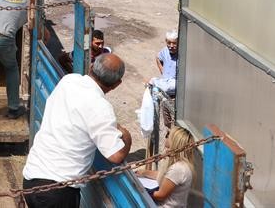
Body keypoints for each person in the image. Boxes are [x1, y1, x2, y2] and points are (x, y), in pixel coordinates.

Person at [22, 54, 132, 207]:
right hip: (58, 191)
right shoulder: (101, 107)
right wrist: (126, 136)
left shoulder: (68, 80)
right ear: (116, 84)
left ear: (91, 67)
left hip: (31, 178)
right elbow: (116, 155)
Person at [137, 127, 195, 207]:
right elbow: (165, 177)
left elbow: (161, 196)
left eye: (168, 135)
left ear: (174, 141)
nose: (165, 137)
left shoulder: (178, 168)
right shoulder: (174, 160)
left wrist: (142, 191)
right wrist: (144, 172)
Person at [150, 29, 178, 96]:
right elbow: (158, 58)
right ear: (166, 42)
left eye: (174, 43)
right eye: (169, 43)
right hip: (165, 81)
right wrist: (162, 70)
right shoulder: (165, 51)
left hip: (174, 83)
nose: (171, 46)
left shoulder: (182, 55)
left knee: (171, 85)